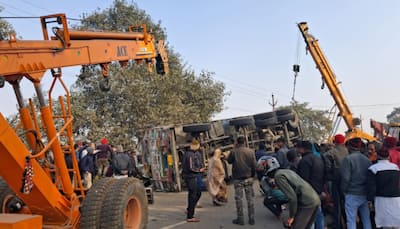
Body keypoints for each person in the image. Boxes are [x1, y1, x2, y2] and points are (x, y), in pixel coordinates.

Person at [264, 156, 320, 229]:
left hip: (306, 201)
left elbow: (292, 198)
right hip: (314, 198)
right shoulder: (286, 171)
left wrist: (292, 216)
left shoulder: (278, 177)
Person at [341, 137, 372, 229]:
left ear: (350, 147)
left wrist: (343, 190)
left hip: (352, 193)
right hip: (364, 193)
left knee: (351, 220)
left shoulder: (347, 159)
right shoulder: (367, 160)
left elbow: (345, 178)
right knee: (366, 218)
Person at [367, 147, 400, 229]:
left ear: (377, 156)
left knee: (384, 223)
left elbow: (371, 187)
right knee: (396, 221)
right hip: (396, 198)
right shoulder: (395, 167)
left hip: (381, 199)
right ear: (388, 157)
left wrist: (370, 200)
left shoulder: (373, 169)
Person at [227, 136, 257, 225]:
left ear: (237, 142)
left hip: (237, 179)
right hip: (248, 178)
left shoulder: (233, 151)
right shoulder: (251, 151)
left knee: (239, 199)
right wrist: (253, 175)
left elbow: (229, 161)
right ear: (244, 142)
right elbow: (254, 165)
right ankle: (251, 219)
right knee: (250, 199)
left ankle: (240, 219)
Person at [296, 140, 325, 229]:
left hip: (309, 194)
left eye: (298, 148)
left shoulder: (304, 161)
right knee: (319, 216)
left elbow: (304, 180)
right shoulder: (318, 158)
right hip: (319, 190)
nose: (297, 150)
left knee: (309, 219)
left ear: (302, 149)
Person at [326, 133, 349, 229]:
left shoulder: (330, 153)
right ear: (343, 141)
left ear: (335, 142)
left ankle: (338, 225)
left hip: (336, 181)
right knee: (348, 204)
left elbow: (327, 168)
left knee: (337, 205)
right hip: (348, 181)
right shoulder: (349, 151)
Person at [182, 139, 205, 223]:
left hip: (192, 176)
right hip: (191, 176)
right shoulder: (190, 155)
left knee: (195, 193)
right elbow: (191, 167)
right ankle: (190, 215)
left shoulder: (193, 154)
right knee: (194, 194)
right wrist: (199, 170)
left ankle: (190, 209)